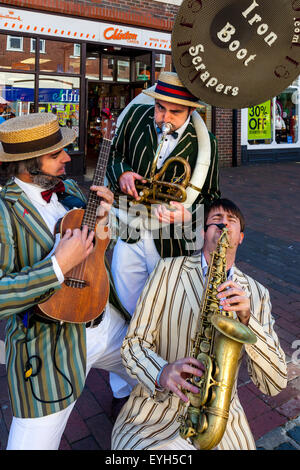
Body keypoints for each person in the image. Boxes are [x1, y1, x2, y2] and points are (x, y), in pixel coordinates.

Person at [0, 112, 136, 450]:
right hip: (52, 346)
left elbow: (102, 242)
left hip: (108, 325)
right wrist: (57, 266)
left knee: (163, 378)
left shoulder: (69, 190)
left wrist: (106, 218)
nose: (67, 158)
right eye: (55, 154)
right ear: (25, 164)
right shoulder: (4, 212)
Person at [111, 198, 287, 450]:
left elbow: (275, 383)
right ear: (203, 232)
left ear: (241, 237)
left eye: (232, 221)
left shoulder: (257, 294)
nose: (224, 223)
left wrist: (249, 321)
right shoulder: (167, 270)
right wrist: (161, 372)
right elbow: (132, 345)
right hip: (155, 415)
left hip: (221, 421)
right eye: (216, 220)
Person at [106, 71, 220, 317]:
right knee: (125, 300)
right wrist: (123, 173)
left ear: (190, 111)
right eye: (160, 108)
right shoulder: (137, 117)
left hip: (171, 238)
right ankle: (130, 347)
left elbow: (211, 196)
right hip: (130, 227)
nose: (164, 118)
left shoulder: (207, 143)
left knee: (165, 305)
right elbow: (114, 153)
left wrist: (188, 214)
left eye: (174, 112)